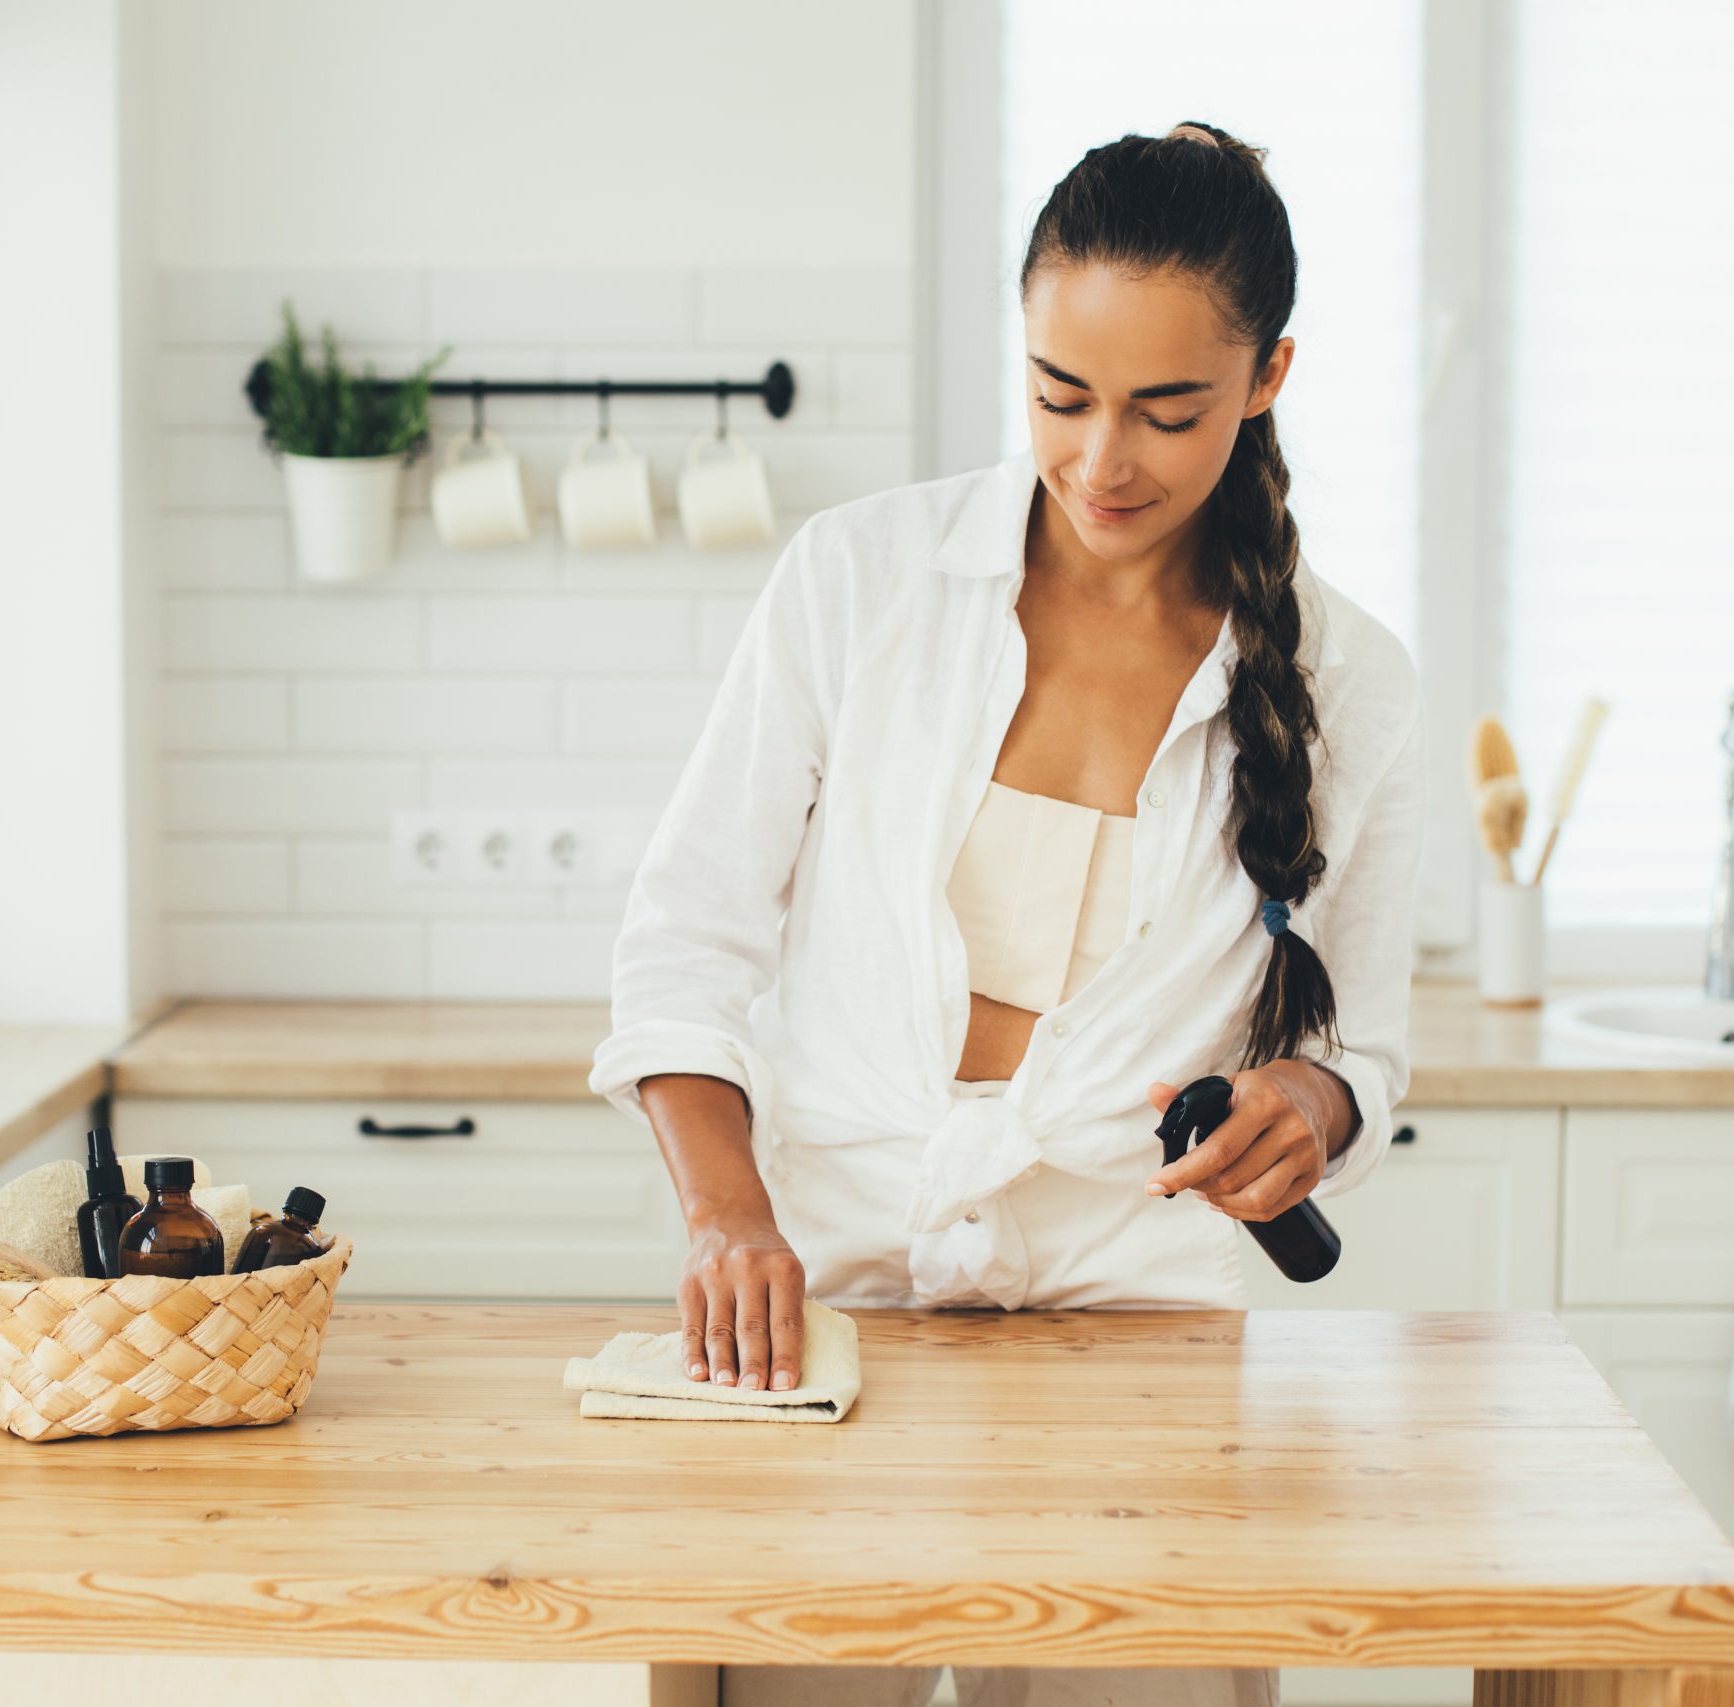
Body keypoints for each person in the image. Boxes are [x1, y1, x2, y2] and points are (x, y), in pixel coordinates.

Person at [587, 120, 1426, 1707]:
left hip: (1142, 1339)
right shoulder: (860, 582)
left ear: (1267, 379)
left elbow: (1362, 1049)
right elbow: (688, 942)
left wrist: (1305, 1109)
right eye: (1061, 395)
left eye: (1166, 412)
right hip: (827, 1312)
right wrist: (724, 1213)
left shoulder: (1350, 684)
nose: (1102, 461)